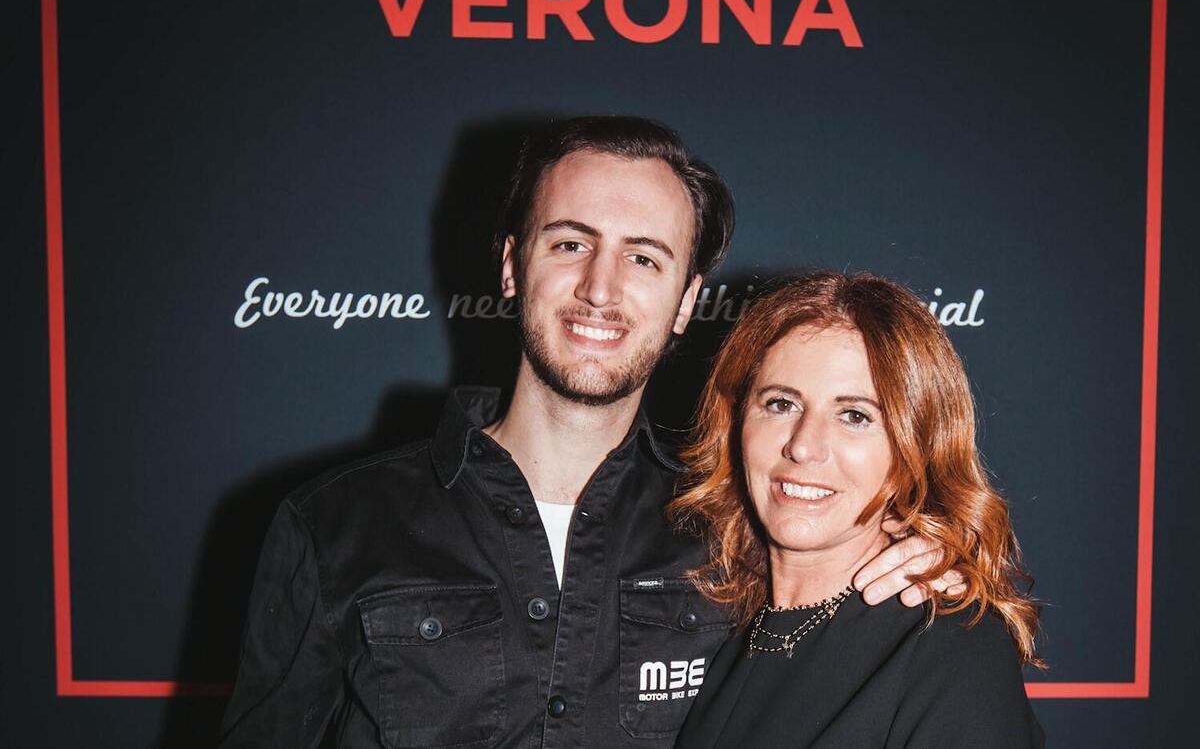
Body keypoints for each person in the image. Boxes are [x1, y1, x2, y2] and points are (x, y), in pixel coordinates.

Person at [219, 118, 959, 748]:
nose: (600, 289)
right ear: (512, 266)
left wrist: (921, 557)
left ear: (685, 301)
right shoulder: (334, 525)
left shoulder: (736, 529)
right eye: (571, 244)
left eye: (643, 257)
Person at [671, 272, 1044, 748]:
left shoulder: (950, 651)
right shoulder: (720, 629)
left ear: (914, 448)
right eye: (781, 404)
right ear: (737, 421)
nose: (804, 447)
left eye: (854, 416)